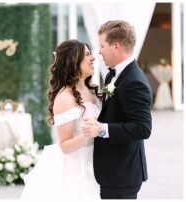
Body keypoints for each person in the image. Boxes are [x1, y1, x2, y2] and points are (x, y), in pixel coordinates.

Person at [20, 40, 102, 199]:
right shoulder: (65, 97)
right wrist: (87, 134)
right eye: (87, 54)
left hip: (97, 163)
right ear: (73, 61)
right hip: (76, 169)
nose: (93, 58)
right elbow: (65, 146)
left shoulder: (91, 89)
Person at [83, 20, 152, 199]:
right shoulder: (112, 74)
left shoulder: (134, 82)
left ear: (116, 46)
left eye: (102, 46)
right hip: (113, 170)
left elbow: (143, 128)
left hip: (123, 173)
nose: (98, 51)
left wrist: (101, 129)